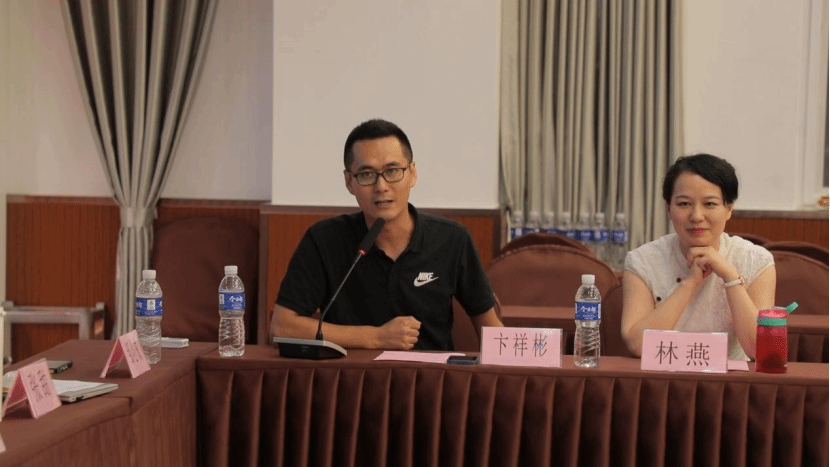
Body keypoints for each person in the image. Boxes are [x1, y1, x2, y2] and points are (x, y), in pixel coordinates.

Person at [270, 118, 503, 350]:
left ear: (412, 173)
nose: (381, 186)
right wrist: (375, 337)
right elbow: (282, 326)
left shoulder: (451, 239)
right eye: (367, 174)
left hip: (430, 373)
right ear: (349, 181)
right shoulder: (324, 240)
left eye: (392, 171)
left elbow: (492, 331)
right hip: (352, 373)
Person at [621, 154, 776, 360]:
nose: (696, 216)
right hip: (663, 376)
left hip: (732, 378)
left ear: (728, 209)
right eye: (684, 204)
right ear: (669, 210)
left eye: (709, 204)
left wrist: (731, 278)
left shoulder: (756, 261)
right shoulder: (642, 261)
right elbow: (637, 345)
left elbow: (761, 351)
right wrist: (689, 283)